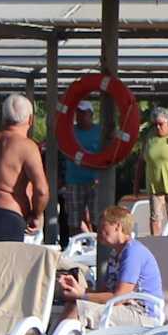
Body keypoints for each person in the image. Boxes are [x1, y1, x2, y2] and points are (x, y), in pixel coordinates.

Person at [58, 203, 163, 325]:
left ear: (117, 227)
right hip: (124, 308)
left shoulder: (133, 252)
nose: (98, 231)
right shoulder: (115, 254)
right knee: (73, 304)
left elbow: (119, 298)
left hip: (143, 314)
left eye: (102, 226)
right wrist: (79, 289)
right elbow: (104, 292)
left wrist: (82, 295)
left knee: (78, 309)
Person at [0, 93, 49, 244]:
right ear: (30, 119)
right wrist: (36, 214)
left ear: (3, 118)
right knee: (7, 259)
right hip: (8, 215)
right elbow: (42, 190)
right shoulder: (27, 146)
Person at [59, 97, 103, 235]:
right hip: (74, 181)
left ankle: (98, 245)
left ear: (91, 114)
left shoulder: (100, 131)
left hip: (94, 181)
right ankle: (74, 245)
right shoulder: (70, 131)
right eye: (78, 113)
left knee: (97, 219)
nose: (80, 116)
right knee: (73, 220)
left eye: (83, 113)